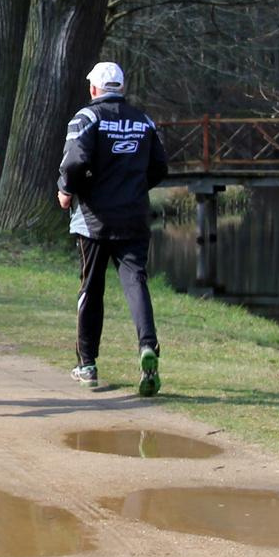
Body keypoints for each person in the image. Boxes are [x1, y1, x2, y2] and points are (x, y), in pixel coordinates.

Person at [56, 61, 170, 397]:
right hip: (134, 217)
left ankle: (87, 364)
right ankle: (147, 347)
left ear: (94, 89)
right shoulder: (144, 121)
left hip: (94, 220)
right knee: (136, 284)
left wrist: (66, 189)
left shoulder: (86, 118)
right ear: (121, 88)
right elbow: (160, 166)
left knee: (91, 289)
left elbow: (75, 162)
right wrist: (135, 187)